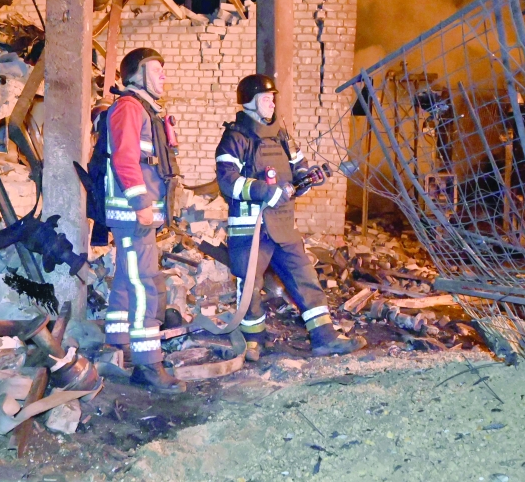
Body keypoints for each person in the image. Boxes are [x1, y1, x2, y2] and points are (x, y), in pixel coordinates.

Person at [216, 74, 367, 362]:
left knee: (305, 278)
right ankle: (252, 341)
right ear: (249, 102)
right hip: (251, 230)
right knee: (250, 287)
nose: (271, 103)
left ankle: (325, 338)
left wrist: (310, 178)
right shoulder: (235, 138)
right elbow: (227, 181)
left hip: (284, 227)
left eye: (273, 98)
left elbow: (299, 171)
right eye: (265, 98)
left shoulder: (282, 136)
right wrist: (264, 191)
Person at [102, 47, 186, 394]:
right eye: (157, 69)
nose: (164, 75)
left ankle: (118, 343)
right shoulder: (128, 108)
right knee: (146, 285)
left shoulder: (145, 110)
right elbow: (124, 159)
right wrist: (140, 203)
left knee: (126, 278)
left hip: (138, 215)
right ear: (136, 74)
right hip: (133, 214)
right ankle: (148, 366)